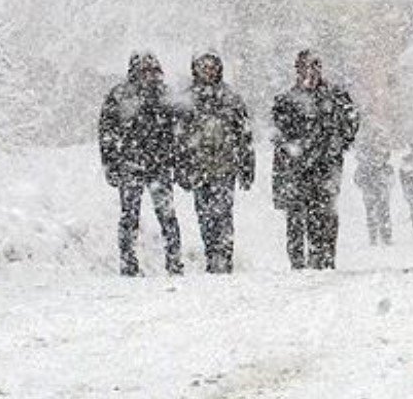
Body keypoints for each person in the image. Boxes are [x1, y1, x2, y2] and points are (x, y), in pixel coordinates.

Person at [270, 50, 358, 270]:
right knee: (296, 216)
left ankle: (324, 258)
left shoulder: (335, 96)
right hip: (296, 168)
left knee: (325, 214)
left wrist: (338, 142)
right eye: (304, 68)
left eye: (313, 68)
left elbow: (352, 121)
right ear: (297, 71)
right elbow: (278, 133)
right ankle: (298, 261)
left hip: (326, 166)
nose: (309, 73)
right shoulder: (286, 100)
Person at [98, 51, 183, 276]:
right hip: (131, 164)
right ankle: (128, 262)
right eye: (145, 69)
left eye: (152, 69)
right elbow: (107, 132)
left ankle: (174, 262)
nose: (149, 74)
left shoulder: (165, 95)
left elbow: (178, 131)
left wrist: (176, 159)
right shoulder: (119, 95)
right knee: (129, 216)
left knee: (167, 215)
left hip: (158, 165)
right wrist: (110, 163)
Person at [177, 52, 254, 274]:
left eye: (212, 67)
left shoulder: (231, 98)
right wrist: (182, 167)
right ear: (196, 69)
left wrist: (247, 167)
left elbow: (244, 135)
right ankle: (211, 254)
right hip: (198, 168)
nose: (208, 71)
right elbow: (179, 138)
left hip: (225, 167)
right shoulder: (187, 100)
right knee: (204, 215)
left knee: (223, 213)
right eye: (203, 67)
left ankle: (224, 257)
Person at [354, 138, 395, 246]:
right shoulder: (378, 165)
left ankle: (378, 237)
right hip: (376, 193)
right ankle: (383, 237)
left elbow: (357, 179)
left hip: (374, 193)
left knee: (376, 215)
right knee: (381, 214)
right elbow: (357, 179)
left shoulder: (366, 166)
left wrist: (366, 186)